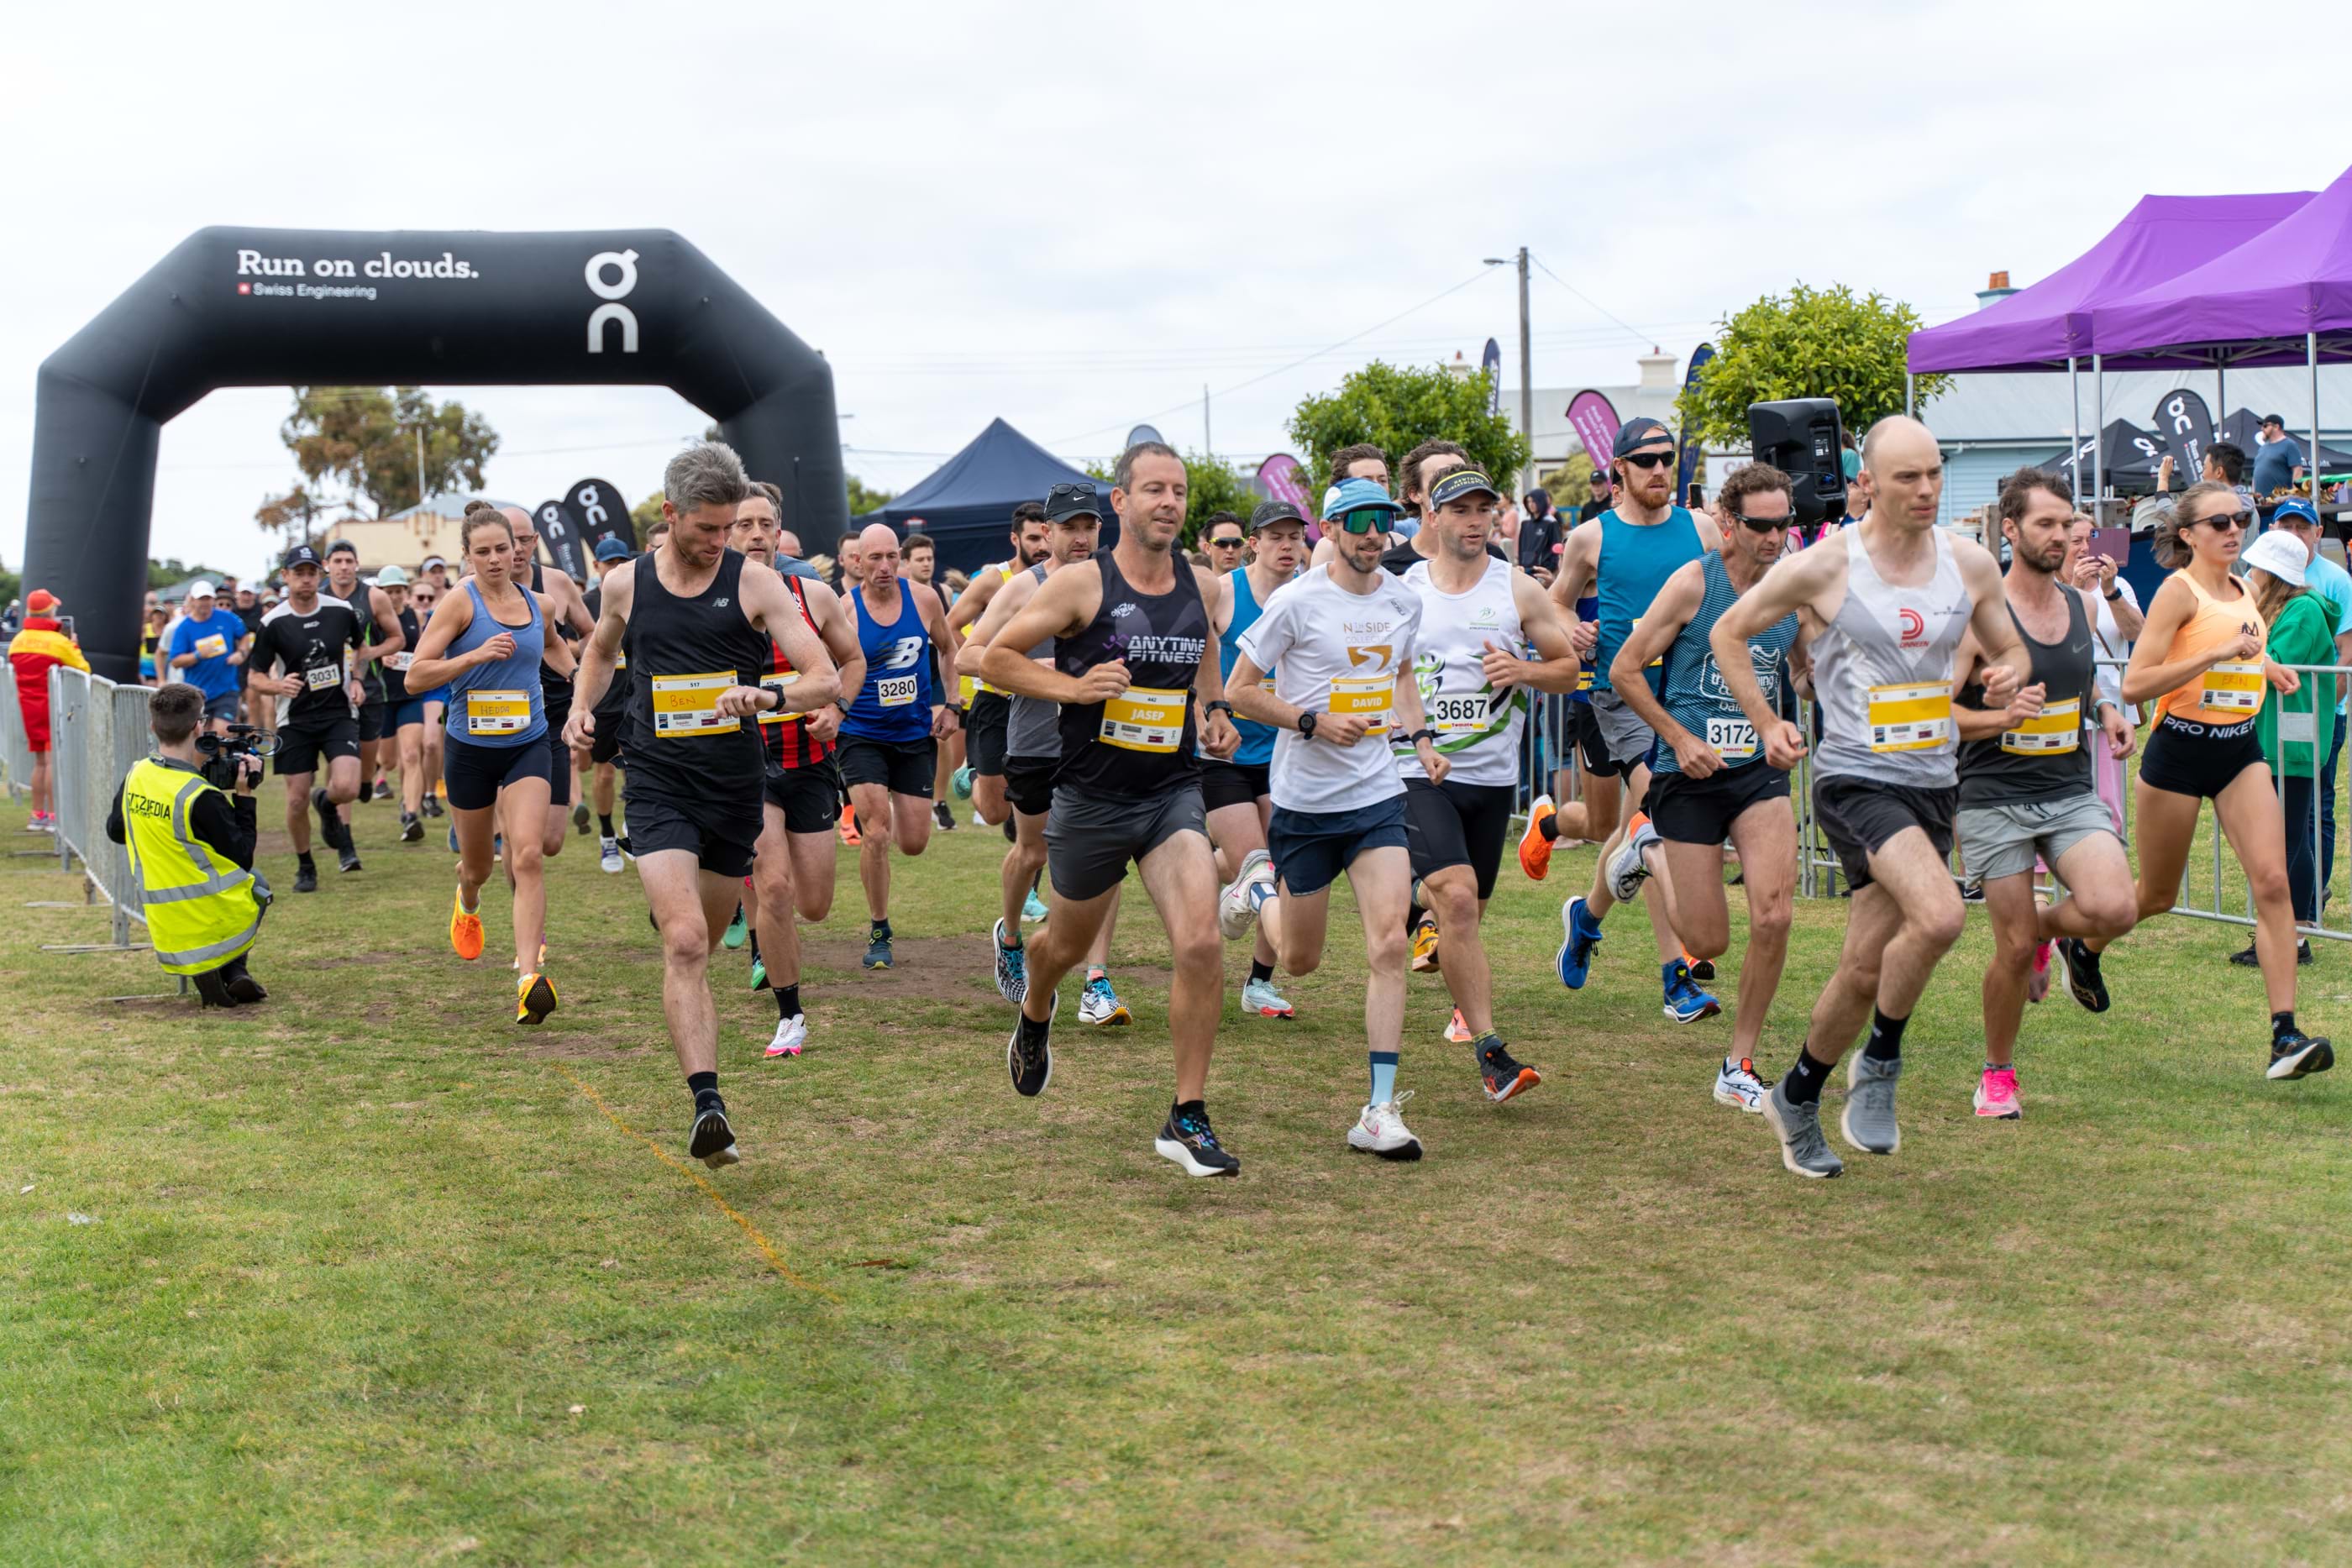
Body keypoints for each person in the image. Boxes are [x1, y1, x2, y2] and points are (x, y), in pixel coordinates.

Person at [1711, 417, 2031, 1179]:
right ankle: (1880, 1063)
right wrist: (1766, 722)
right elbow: (1729, 632)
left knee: (1861, 968)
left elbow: (2010, 645)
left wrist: (2008, 674)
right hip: (1855, 776)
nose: (1926, 489)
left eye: (1934, 473)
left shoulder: (1969, 562)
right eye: (1906, 477)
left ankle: (1795, 1094)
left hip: (1933, 781)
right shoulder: (1825, 565)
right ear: (1868, 484)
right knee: (1942, 914)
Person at [564, 441, 843, 1167]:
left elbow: (826, 677)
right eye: (707, 528)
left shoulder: (757, 583)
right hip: (658, 782)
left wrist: (768, 695)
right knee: (686, 941)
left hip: (733, 789)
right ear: (670, 513)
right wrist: (580, 706)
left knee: (704, 938)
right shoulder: (625, 584)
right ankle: (708, 1105)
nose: (723, 540)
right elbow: (600, 651)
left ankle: (678, 912)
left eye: (730, 527)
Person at [980, 443, 1244, 1177]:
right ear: (1121, 502)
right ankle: (1036, 1007)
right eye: (1154, 489)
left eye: (1179, 491)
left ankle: (1186, 1115)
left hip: (1170, 794)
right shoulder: (1080, 584)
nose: (1170, 502)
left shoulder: (1199, 582)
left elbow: (1205, 646)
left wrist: (1215, 707)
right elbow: (993, 658)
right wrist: (1072, 688)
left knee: (1200, 943)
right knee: (1063, 947)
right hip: (1091, 799)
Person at [2071, 482, 2330, 1078]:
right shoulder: (2176, 591)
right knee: (2156, 896)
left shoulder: (2246, 589)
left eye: (2240, 518)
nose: (2234, 529)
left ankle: (2285, 1036)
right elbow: (2136, 682)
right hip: (2180, 753)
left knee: (2273, 884)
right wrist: (2214, 657)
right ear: (2188, 534)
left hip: (2239, 750)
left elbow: (2239, 644)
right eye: (2219, 522)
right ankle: (2083, 946)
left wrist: (2266, 665)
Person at [1226, 475, 1443, 1158]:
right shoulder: (1296, 601)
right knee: (1300, 959)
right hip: (1306, 803)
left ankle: (1379, 1108)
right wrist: (1311, 721)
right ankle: (1258, 890)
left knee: (1388, 945)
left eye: (1383, 520)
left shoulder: (1404, 600)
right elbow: (1240, 690)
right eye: (1359, 521)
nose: (1374, 533)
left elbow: (1401, 674)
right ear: (1330, 529)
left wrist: (1421, 738)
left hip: (1377, 795)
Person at [1608, 463, 1808, 1114]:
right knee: (1709, 940)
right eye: (1760, 525)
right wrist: (1679, 737)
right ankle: (1648, 848)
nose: (1774, 537)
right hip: (1687, 772)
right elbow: (1625, 669)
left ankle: (1738, 1063)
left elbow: (1802, 672)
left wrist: (1805, 697)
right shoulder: (1695, 582)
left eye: (1783, 524)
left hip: (1756, 770)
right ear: (1728, 522)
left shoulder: (1791, 590)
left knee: (1774, 914)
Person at [1950, 469, 2139, 1120]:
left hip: (2067, 787)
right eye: (2045, 524)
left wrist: (2104, 709)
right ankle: (1997, 1073)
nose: (2060, 536)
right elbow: (1938, 713)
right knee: (2008, 950)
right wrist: (2001, 717)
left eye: (2066, 523)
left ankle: (2045, 935)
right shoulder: (1979, 616)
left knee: (2116, 906)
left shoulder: (2082, 605)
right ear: (2010, 529)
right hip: (1993, 794)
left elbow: (2081, 680)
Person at [1393, 469, 1577, 1100]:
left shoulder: (1517, 587)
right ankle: (1492, 1054)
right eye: (1461, 510)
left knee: (1465, 912)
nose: (1475, 521)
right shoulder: (1406, 591)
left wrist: (1522, 669)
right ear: (1434, 516)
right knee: (1459, 898)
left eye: (1484, 510)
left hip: (1492, 778)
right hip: (1419, 768)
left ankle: (1409, 891)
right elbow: (1386, 670)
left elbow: (1567, 669)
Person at [1547, 417, 1725, 1024]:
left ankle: (1585, 919)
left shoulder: (1700, 528)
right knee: (1661, 824)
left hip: (1688, 695)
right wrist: (1574, 630)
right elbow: (1556, 604)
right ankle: (1677, 977)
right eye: (1646, 460)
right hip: (1621, 694)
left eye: (1666, 459)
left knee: (1631, 832)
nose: (1658, 470)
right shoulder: (1591, 537)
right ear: (1619, 468)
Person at [961, 482, 1131, 1023]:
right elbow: (968, 655)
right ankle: (1011, 936)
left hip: (1102, 742)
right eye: (1068, 528)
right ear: (1047, 532)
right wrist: (1042, 672)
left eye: (1089, 527)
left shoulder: (1115, 582)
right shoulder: (1023, 587)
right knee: (1033, 853)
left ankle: (1097, 981)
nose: (1080, 538)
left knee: (1103, 857)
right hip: (1035, 741)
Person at [405, 505, 575, 1024]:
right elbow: (416, 676)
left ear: (519, 548)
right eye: (483, 552)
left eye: (504, 548)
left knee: (528, 855)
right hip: (471, 750)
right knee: (479, 865)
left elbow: (555, 649)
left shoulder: (541, 604)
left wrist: (582, 683)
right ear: (468, 556)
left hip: (528, 742)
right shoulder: (460, 603)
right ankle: (468, 896)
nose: (497, 558)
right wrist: (473, 656)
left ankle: (529, 979)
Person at [729, 488, 864, 1056]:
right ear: (726, 532)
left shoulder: (813, 595)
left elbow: (852, 660)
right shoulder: (712, 603)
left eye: (766, 523)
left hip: (809, 764)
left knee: (814, 903)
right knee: (776, 887)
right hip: (747, 765)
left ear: (780, 531)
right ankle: (791, 1015)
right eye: (745, 524)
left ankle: (753, 890)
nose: (757, 534)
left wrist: (837, 710)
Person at [1202, 498, 1310, 1020]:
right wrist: (1206, 717)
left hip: (1285, 754)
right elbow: (1196, 663)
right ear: (1254, 543)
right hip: (1224, 755)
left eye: (1295, 537)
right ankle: (1222, 883)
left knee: (1280, 868)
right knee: (1259, 865)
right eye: (1276, 537)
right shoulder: (1224, 593)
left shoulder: (1312, 594)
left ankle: (1259, 984)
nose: (1287, 546)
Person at [837, 522, 961, 969]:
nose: (885, 566)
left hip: (913, 736)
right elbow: (827, 665)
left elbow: (949, 649)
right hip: (861, 733)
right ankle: (879, 928)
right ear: (858, 562)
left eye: (892, 557)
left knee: (913, 843)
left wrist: (952, 704)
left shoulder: (924, 599)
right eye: (875, 558)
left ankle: (890, 810)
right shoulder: (845, 609)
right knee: (876, 831)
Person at [105, 682, 270, 1006]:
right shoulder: (200, 795)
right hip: (205, 913)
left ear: (153, 727)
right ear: (199, 727)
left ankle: (228, 973)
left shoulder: (136, 775)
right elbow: (242, 858)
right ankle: (231, 967)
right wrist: (244, 797)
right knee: (257, 882)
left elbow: (115, 831)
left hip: (163, 916)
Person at [249, 546, 370, 890]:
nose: (306, 579)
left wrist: (357, 679)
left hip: (338, 712)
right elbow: (254, 677)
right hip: (295, 719)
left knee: (347, 788)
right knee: (296, 799)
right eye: (298, 573)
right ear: (285, 576)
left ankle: (326, 802)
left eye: (311, 572)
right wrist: (278, 685)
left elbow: (360, 648)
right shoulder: (273, 623)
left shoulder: (340, 611)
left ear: (320, 574)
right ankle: (306, 865)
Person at [2240, 529, 2333, 966]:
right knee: (2284, 839)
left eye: (2256, 567)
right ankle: (2288, 935)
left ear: (2272, 573)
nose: (2249, 573)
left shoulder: (2303, 610)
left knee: (2286, 840)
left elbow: (2272, 662)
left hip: (2292, 740)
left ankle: (2289, 938)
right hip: (2274, 736)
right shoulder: (2283, 607)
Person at [2265, 499, 2352, 918]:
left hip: (2315, 718)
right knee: (2289, 820)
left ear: (2318, 533)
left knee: (2313, 812)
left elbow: (2345, 654)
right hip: (2280, 722)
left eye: (2303, 527)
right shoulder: (2268, 580)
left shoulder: (2330, 584)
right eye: (2287, 526)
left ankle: (2306, 909)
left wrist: (2324, 712)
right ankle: (2297, 914)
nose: (2295, 535)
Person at [945, 505, 1053, 829]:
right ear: (1014, 539)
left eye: (1045, 537)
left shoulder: (1060, 578)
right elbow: (951, 625)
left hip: (1041, 700)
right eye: (1032, 538)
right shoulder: (995, 580)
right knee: (994, 814)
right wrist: (990, 667)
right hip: (996, 700)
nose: (1041, 546)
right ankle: (972, 773)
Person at [505, 506, 597, 853]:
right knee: (520, 839)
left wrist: (582, 674)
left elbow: (589, 631)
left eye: (524, 540)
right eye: (509, 541)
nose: (517, 549)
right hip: (503, 721)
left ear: (535, 541)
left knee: (551, 841)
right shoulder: (474, 588)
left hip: (554, 719)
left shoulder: (556, 583)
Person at [322, 540, 407, 810]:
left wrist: (371, 652)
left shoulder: (374, 597)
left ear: (357, 564)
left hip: (369, 689)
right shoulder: (318, 596)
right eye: (337, 561)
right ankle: (337, 821)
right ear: (326, 565)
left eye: (349, 561)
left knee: (366, 765)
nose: (344, 567)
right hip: (329, 690)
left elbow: (398, 639)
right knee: (339, 759)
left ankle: (367, 780)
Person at [8, 589, 88, 832]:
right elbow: (84, 669)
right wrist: (73, 644)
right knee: (53, 762)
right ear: (50, 612)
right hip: (53, 707)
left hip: (29, 708)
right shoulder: (59, 643)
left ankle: (37, 815)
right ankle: (54, 816)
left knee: (40, 762)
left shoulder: (18, 640)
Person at [580, 536, 638, 870]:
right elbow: (567, 643)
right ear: (596, 566)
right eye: (609, 563)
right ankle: (606, 835)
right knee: (603, 775)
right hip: (603, 701)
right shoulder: (587, 602)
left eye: (621, 562)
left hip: (636, 698)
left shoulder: (638, 595)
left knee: (638, 768)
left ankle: (635, 823)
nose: (616, 568)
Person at [369, 566, 432, 842]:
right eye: (389, 591)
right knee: (390, 761)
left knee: (412, 754)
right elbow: (361, 653)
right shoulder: (373, 619)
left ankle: (411, 814)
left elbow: (423, 648)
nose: (394, 596)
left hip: (410, 694)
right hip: (383, 697)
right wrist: (381, 656)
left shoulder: (414, 616)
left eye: (399, 591)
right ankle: (378, 773)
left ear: (405, 592)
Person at [163, 581, 250, 737]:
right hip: (197, 692)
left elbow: (244, 636)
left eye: (208, 598)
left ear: (213, 599)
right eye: (201, 599)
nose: (205, 603)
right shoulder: (184, 627)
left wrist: (241, 653)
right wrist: (197, 655)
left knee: (223, 732)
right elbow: (175, 661)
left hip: (226, 689)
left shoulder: (227, 618)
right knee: (200, 736)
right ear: (192, 600)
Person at [409, 577, 449, 821]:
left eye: (429, 598)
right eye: (420, 597)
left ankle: (430, 793)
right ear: (409, 598)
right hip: (407, 690)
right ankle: (410, 799)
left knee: (432, 743)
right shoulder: (400, 620)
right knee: (408, 752)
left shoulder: (439, 618)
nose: (425, 602)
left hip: (436, 686)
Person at [1515, 488, 1562, 584]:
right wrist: (1521, 566)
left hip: (1543, 571)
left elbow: (1556, 548)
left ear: (1541, 501)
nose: (1530, 504)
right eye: (1528, 502)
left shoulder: (1550, 522)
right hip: (1526, 570)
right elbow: (1521, 547)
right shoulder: (1525, 523)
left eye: (1534, 501)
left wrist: (1551, 568)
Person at [2252, 414, 2307, 498]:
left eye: (2265, 426)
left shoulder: (2289, 445)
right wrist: (2253, 494)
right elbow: (2256, 473)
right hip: (2260, 500)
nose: (2262, 429)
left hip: (2280, 499)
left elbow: (2297, 470)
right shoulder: (2262, 448)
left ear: (2276, 427)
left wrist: (2294, 494)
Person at [1201, 511, 1247, 577]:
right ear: (1208, 548)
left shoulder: (1257, 583)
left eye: (1237, 543)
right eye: (1222, 543)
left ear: (1243, 547)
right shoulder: (1196, 583)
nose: (1230, 550)